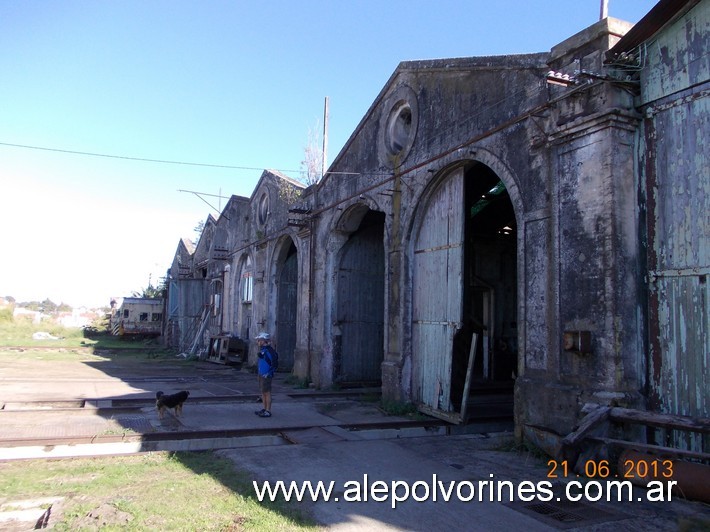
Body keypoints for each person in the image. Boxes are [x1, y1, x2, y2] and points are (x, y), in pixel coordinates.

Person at [254, 332, 277, 417]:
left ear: (264, 341)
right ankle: (264, 408)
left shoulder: (269, 351)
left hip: (266, 375)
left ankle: (268, 411)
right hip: (261, 374)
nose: (258, 342)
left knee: (267, 392)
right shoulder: (263, 350)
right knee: (263, 392)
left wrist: (269, 373)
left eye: (259, 340)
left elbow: (274, 364)